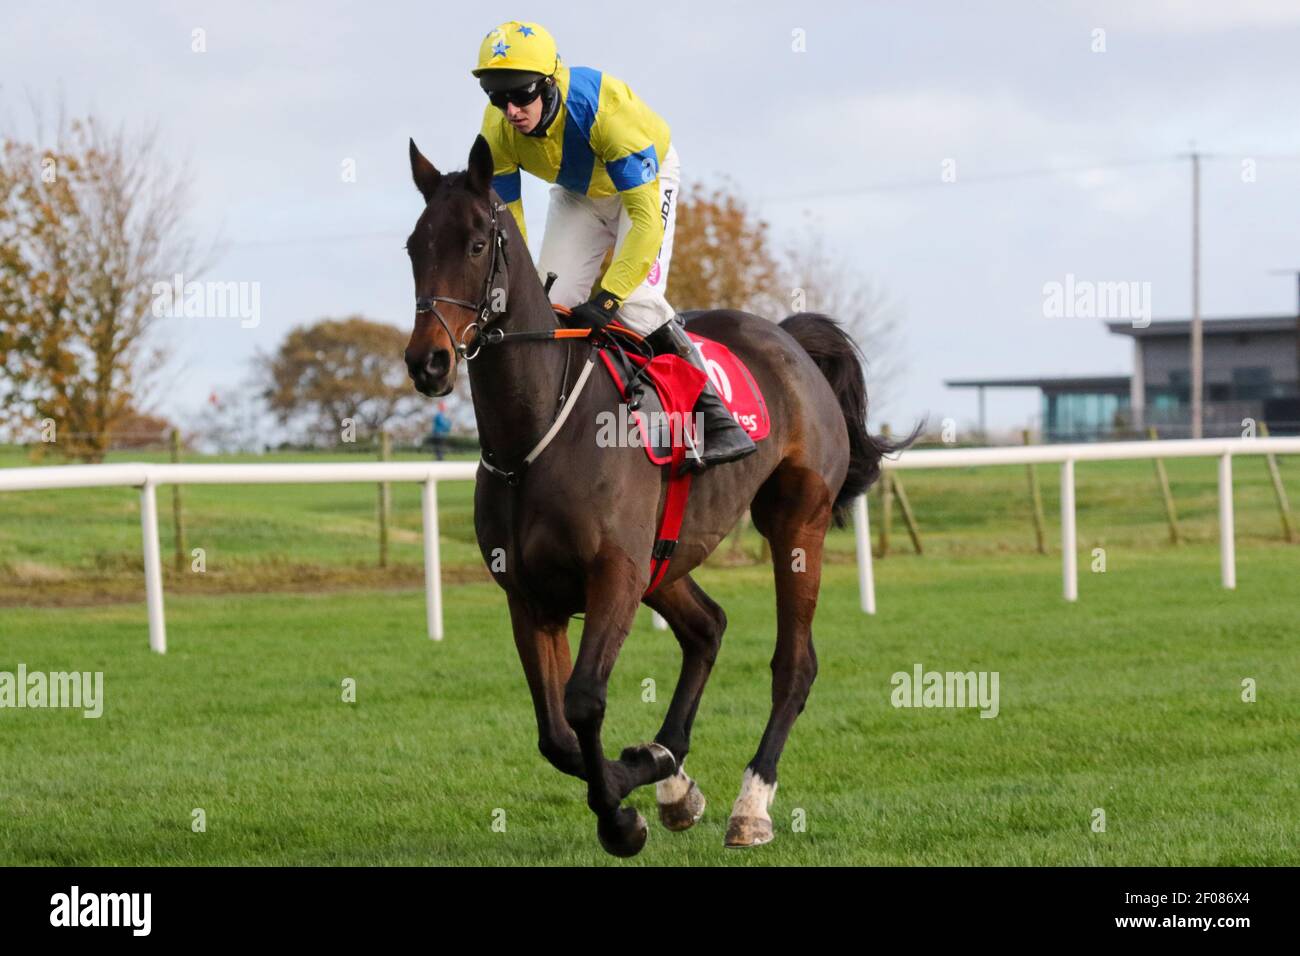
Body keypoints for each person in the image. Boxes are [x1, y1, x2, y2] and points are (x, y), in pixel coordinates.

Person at [472, 20, 755, 469]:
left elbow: (644, 222)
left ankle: (716, 415)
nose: (510, 109)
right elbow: (512, 223)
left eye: (521, 94)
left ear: (549, 83)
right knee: (549, 303)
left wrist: (609, 298)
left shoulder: (605, 114)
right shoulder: (498, 129)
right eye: (496, 95)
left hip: (642, 187)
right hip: (578, 195)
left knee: (636, 299)